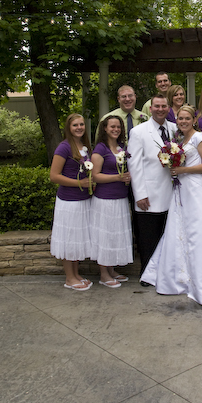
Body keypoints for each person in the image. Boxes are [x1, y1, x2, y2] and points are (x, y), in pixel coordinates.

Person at [141, 105, 202, 306]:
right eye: (180, 118)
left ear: (194, 120)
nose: (183, 121)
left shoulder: (200, 139)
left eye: (186, 118)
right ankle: (180, 278)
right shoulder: (179, 141)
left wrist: (182, 170)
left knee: (198, 233)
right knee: (180, 231)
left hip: (197, 190)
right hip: (181, 191)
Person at [128, 94, 177, 280]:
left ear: (168, 108)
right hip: (149, 195)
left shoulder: (175, 129)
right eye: (157, 106)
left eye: (164, 106)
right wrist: (140, 194)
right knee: (148, 238)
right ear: (150, 109)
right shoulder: (138, 132)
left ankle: (166, 275)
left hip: (172, 193)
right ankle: (147, 276)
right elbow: (134, 165)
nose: (160, 109)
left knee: (168, 237)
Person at [50, 113, 93, 291]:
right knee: (69, 239)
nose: (79, 128)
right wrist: (79, 183)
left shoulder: (85, 147)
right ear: (68, 127)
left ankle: (76, 274)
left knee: (77, 239)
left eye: (81, 124)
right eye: (75, 125)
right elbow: (54, 176)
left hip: (84, 201)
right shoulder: (64, 147)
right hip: (69, 201)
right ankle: (69, 278)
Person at [90, 115, 133, 288]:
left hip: (120, 198)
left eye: (118, 127)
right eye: (112, 127)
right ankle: (103, 274)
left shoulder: (122, 147)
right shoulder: (100, 149)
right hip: (105, 200)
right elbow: (95, 176)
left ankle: (112, 269)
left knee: (115, 235)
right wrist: (118, 177)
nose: (116, 129)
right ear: (105, 129)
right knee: (105, 236)